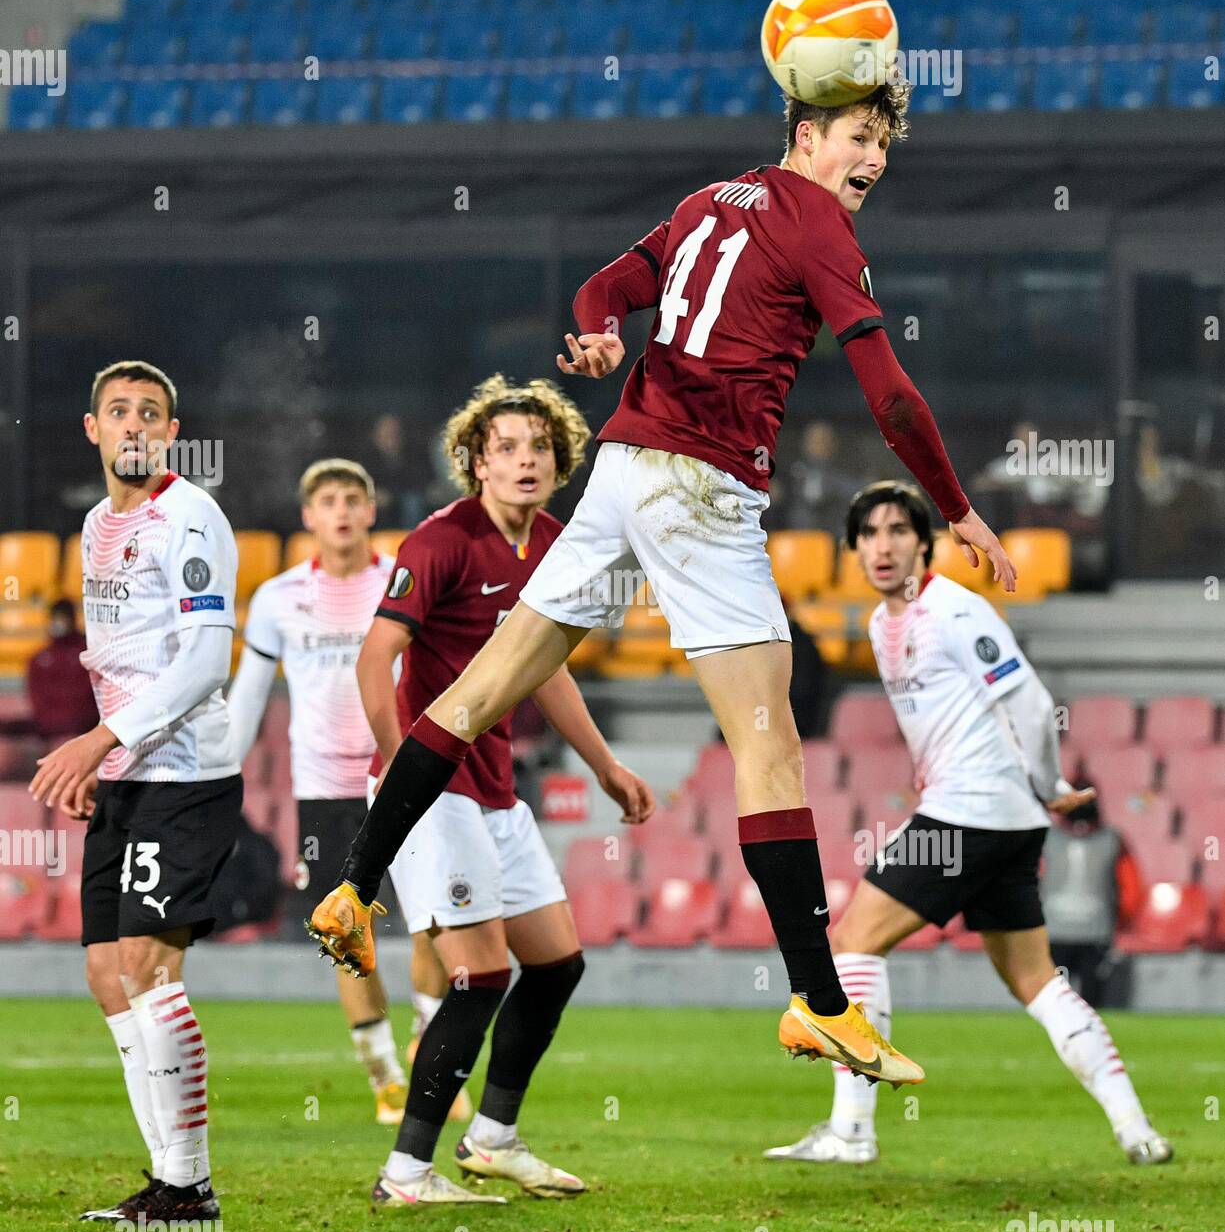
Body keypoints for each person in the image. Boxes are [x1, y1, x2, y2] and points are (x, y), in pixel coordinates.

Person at [311, 80, 1017, 1089]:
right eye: (858, 137)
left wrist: (602, 333)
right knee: (769, 743)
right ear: (806, 136)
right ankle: (819, 1003)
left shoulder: (706, 202)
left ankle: (352, 884)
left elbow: (606, 283)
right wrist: (953, 503)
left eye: (882, 145)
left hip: (620, 468)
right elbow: (890, 396)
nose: (874, 160)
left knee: (474, 689)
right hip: (701, 484)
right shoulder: (818, 225)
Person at [763, 480, 1170, 1168]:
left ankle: (851, 1131)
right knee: (1036, 982)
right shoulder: (877, 625)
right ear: (855, 551)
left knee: (852, 943)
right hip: (998, 822)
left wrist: (1050, 784)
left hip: (970, 813)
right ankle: (1136, 1129)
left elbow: (1033, 706)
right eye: (868, 534)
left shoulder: (954, 610)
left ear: (925, 543)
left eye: (898, 531)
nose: (883, 545)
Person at [338, 374, 655, 1207]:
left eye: (539, 448)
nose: (524, 460)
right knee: (479, 977)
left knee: (555, 965)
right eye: (505, 447)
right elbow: (375, 660)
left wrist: (603, 765)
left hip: (495, 795)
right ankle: (406, 1174)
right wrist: (399, 772)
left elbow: (543, 674)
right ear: (474, 462)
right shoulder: (441, 541)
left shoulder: (555, 544)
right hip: (433, 797)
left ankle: (495, 1140)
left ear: (560, 463)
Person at [30, 360, 243, 1224]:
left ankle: (190, 1185)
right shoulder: (93, 524)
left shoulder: (189, 516)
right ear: (93, 429)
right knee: (106, 976)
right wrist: (97, 762)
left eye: (149, 413)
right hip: (123, 774)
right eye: (117, 411)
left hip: (184, 773)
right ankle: (164, 1181)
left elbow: (202, 659)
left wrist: (97, 741)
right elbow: (116, 658)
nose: (132, 425)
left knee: (151, 971)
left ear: (170, 431)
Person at [227, 458, 465, 1126]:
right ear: (308, 516)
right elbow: (248, 697)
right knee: (344, 932)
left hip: (400, 774)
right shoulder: (276, 598)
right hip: (324, 789)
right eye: (327, 500)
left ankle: (426, 1050)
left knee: (432, 921)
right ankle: (384, 1077)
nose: (340, 510)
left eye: (352, 499)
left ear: (368, 510)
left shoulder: (402, 580)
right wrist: (222, 770)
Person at [1041, 790, 1143, 1009]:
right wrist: (1120, 921)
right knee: (1091, 996)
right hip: (1095, 928)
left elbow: (1030, 881)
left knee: (1056, 997)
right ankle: (1088, 1037)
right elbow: (1131, 888)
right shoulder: (1112, 839)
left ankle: (1060, 1036)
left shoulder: (1046, 838)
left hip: (1057, 928)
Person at [26, 599, 97, 742]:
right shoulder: (38, 659)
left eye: (63, 617)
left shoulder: (87, 655)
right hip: (49, 733)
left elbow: (91, 694)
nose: (59, 622)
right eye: (56, 617)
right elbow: (37, 699)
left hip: (84, 732)